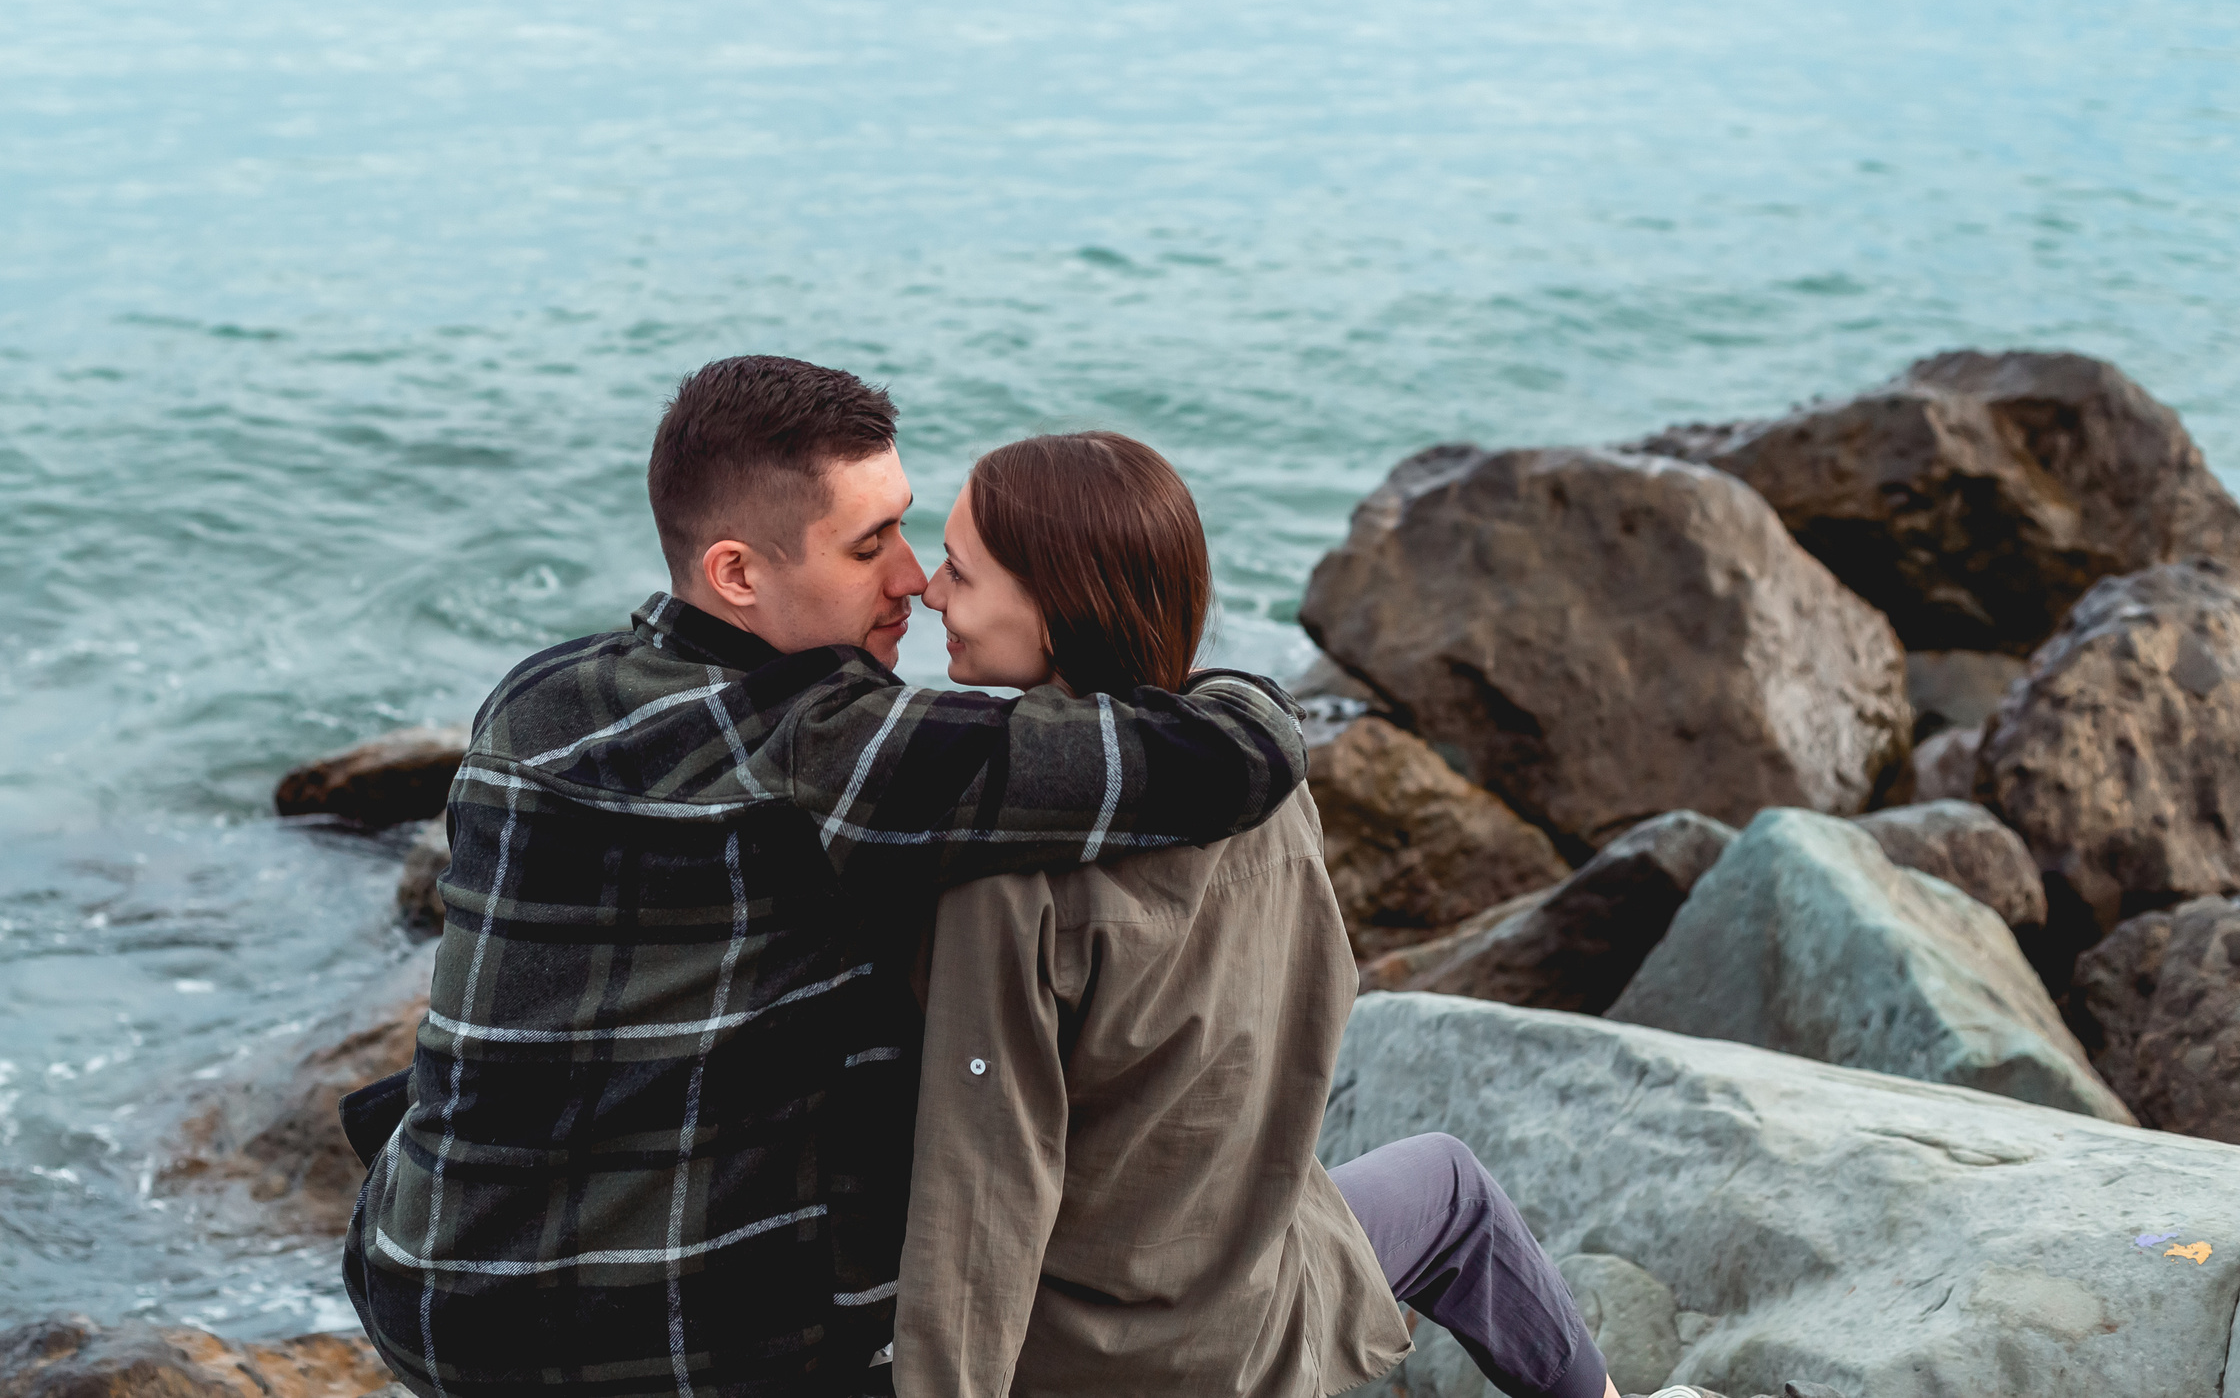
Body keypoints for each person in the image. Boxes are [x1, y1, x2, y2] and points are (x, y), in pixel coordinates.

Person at [339, 358, 1310, 1398]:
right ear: (737, 574)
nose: (909, 580)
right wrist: (1244, 692)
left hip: (416, 1275)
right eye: (867, 545)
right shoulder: (832, 750)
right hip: (653, 1342)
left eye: (904, 529)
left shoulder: (537, 698)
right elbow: (1227, 761)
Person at [894, 431, 1617, 1398]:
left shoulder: (1003, 875)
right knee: (1450, 1186)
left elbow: (983, 1199)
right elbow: (1318, 1006)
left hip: (1102, 1363)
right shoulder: (1267, 793)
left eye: (959, 569)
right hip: (1252, 1311)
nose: (930, 589)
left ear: (1057, 615)